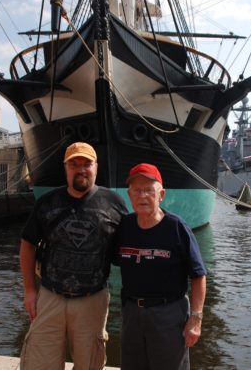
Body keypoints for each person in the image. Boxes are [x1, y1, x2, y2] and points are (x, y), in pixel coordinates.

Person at [19, 142, 128, 370]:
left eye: (87, 164)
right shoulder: (47, 202)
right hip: (50, 297)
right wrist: (30, 290)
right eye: (74, 164)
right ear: (65, 168)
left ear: (96, 167)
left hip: (92, 300)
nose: (81, 169)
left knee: (89, 363)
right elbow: (27, 244)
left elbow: (127, 249)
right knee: (40, 362)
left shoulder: (114, 203)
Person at [114, 163, 207, 370]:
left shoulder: (176, 227)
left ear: (161, 194)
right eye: (137, 190)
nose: (142, 196)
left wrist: (196, 319)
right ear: (129, 195)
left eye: (149, 190)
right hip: (132, 315)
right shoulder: (125, 227)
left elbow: (198, 276)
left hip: (168, 315)